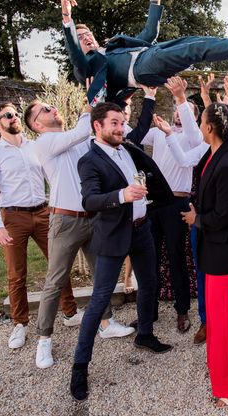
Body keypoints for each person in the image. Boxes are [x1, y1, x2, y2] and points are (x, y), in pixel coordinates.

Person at [70, 102, 175, 401]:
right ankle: (80, 367)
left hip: (142, 228)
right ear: (97, 127)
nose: (120, 128)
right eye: (114, 123)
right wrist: (122, 195)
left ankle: (144, 334)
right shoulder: (89, 160)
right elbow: (90, 201)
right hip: (114, 234)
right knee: (100, 298)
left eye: (122, 122)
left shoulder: (127, 149)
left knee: (149, 283)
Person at [25, 100, 135, 370]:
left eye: (52, 105)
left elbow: (108, 137)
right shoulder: (44, 142)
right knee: (56, 279)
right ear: (37, 124)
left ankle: (106, 323)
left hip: (92, 217)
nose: (52, 109)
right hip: (65, 220)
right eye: (45, 110)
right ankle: (44, 339)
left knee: (101, 272)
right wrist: (90, 106)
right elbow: (83, 129)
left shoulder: (78, 138)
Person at [59, 0, 228, 106]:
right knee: (193, 49)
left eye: (87, 33)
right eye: (80, 38)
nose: (86, 37)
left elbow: (148, 34)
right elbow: (76, 58)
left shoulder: (113, 47)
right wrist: (68, 17)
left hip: (149, 53)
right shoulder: (88, 65)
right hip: (141, 70)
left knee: (195, 42)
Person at [0, 102, 80, 349]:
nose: (14, 118)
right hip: (13, 217)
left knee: (59, 263)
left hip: (43, 211)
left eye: (15, 113)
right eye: (8, 115)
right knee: (17, 274)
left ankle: (70, 312)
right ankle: (20, 324)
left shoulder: (36, 147)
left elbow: (54, 177)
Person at [180, 103, 228, 408]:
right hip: (219, 248)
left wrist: (195, 219)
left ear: (210, 128)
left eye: (201, 121)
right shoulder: (217, 151)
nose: (199, 126)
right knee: (219, 317)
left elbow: (224, 215)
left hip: (226, 250)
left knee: (222, 319)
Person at [139, 76, 203, 334]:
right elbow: (138, 133)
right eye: (176, 111)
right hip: (153, 202)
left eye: (184, 112)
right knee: (150, 257)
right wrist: (149, 97)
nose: (178, 114)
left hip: (177, 201)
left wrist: (182, 99)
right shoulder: (157, 132)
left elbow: (193, 132)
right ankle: (149, 311)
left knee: (176, 256)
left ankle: (182, 311)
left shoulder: (192, 137)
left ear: (192, 116)